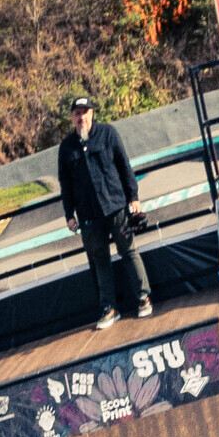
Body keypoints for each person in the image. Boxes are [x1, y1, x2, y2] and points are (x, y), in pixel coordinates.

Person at [57, 97, 151, 329]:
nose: (82, 117)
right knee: (100, 261)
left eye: (85, 112)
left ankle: (143, 297)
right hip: (88, 214)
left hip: (116, 206)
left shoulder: (108, 133)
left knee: (128, 250)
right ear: (72, 118)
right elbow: (65, 184)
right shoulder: (66, 147)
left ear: (92, 114)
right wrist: (69, 214)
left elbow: (124, 166)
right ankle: (109, 309)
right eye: (77, 113)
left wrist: (134, 197)